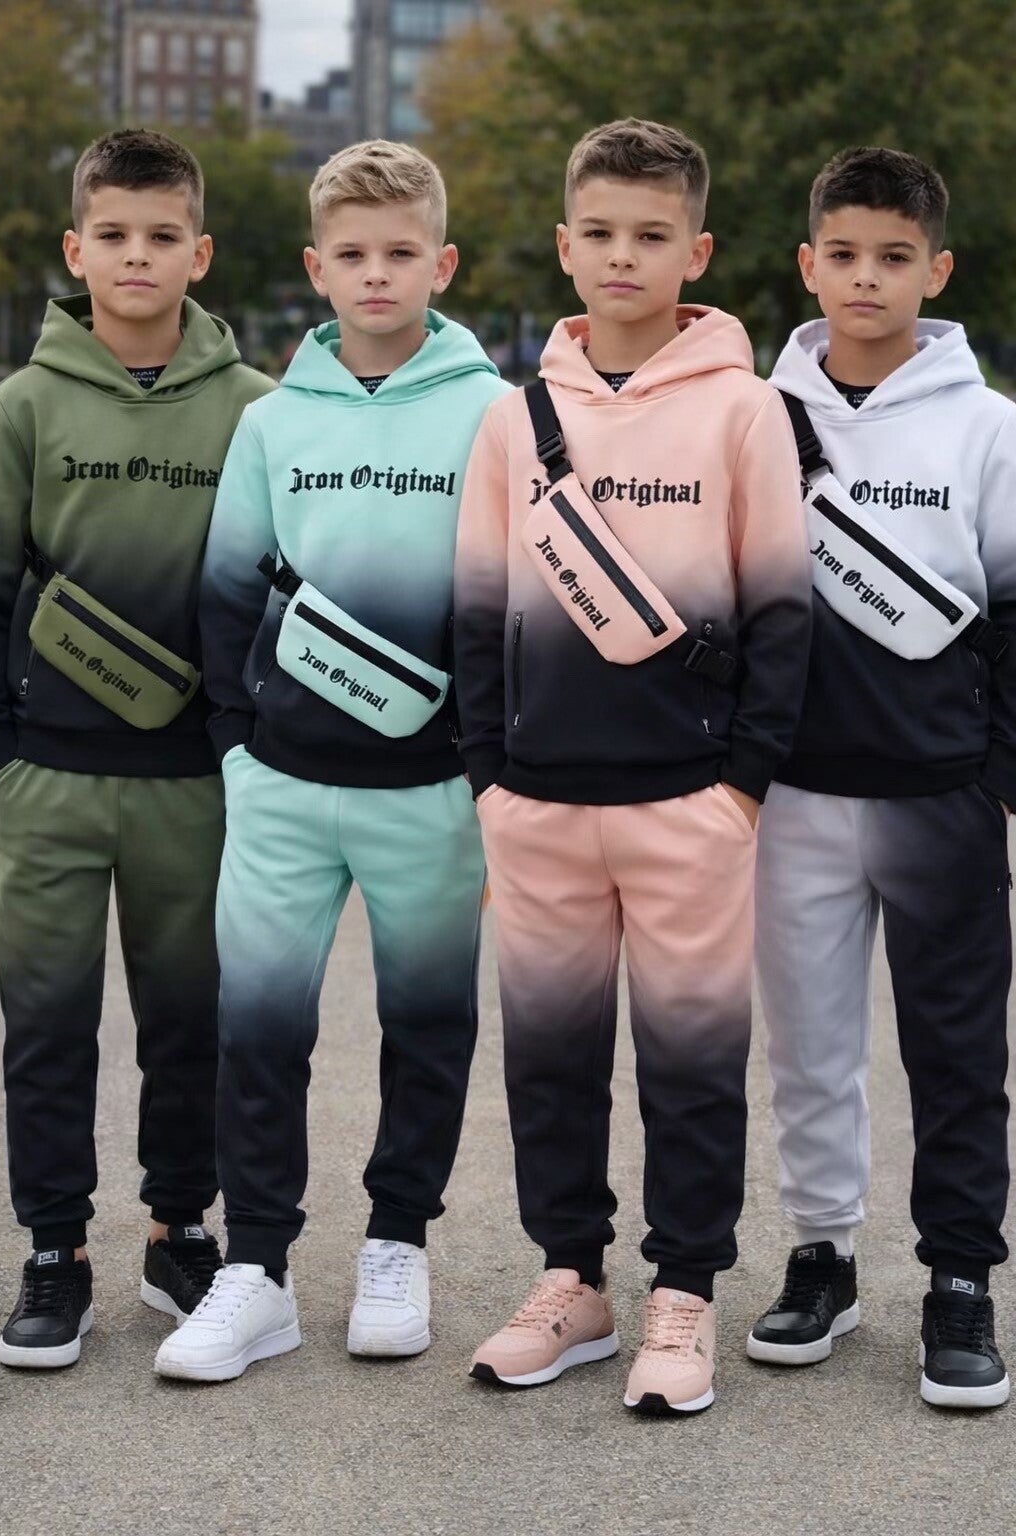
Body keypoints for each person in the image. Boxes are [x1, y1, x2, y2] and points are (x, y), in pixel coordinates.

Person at [453, 117, 811, 1414]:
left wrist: (740, 790)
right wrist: (490, 778)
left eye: (651, 235)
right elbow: (474, 612)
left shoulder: (746, 411)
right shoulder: (514, 420)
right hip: (538, 804)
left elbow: (783, 616)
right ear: (564, 245)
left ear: (695, 252)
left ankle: (686, 1291)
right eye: (599, 232)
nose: (622, 255)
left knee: (692, 1063)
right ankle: (572, 1283)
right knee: (549, 1061)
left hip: (688, 803)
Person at [154, 140, 510, 1383]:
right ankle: (256, 1270)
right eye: (351, 255)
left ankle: (397, 1244)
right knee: (258, 1031)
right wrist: (238, 746)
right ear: (316, 269)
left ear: (441, 264)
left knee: (428, 1025)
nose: (376, 275)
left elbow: (506, 601)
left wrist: (478, 760)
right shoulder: (273, 420)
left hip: (431, 792)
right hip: (283, 787)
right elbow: (225, 593)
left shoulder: (493, 415)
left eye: (400, 253)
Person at [0, 128, 273, 1370]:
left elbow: (270, 594)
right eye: (113, 234)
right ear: (77, 249)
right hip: (45, 780)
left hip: (193, 784)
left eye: (163, 235)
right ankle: (55, 1250)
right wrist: (4, 755)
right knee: (48, 1027)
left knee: (187, 1021)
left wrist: (240, 745)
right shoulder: (19, 409)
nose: (137, 256)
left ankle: (179, 1230)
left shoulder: (256, 409)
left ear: (200, 253)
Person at [748, 147, 1015, 1410]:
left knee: (956, 1050)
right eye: (844, 255)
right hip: (792, 792)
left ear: (935, 271)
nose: (867, 277)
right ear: (808, 265)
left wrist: (995, 775)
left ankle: (960, 1277)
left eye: (894, 257)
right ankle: (822, 1256)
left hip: (939, 794)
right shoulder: (754, 418)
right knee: (809, 1043)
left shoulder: (987, 426)